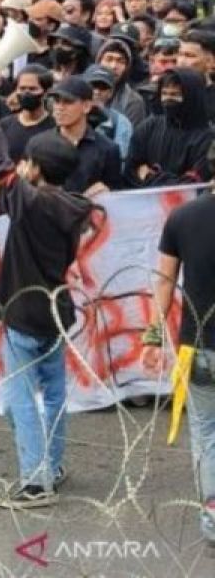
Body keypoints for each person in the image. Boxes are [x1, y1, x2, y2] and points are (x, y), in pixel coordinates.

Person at [0, 65, 95, 510]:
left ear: (37, 168)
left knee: (21, 402)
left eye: (28, 162)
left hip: (24, 313)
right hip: (56, 311)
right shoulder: (73, 204)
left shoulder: (31, 202)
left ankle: (35, 480)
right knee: (55, 393)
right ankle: (53, 465)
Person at [141, 142, 215, 548]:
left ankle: (213, 522)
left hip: (199, 347)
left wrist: (153, 337)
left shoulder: (183, 217)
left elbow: (164, 282)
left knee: (206, 434)